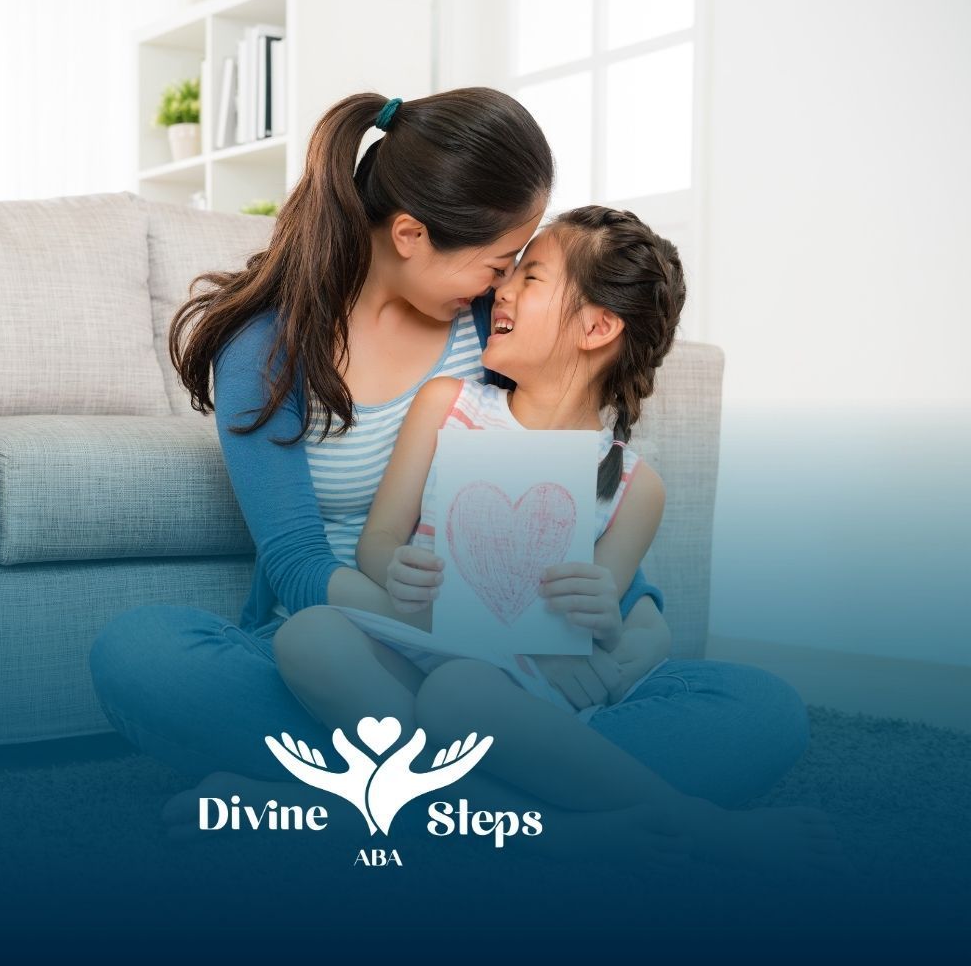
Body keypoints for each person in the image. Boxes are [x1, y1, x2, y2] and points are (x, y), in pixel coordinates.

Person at [89, 90, 831, 868]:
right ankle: (555, 821)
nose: (502, 285)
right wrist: (439, 634)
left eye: (520, 267)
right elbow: (298, 565)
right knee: (139, 653)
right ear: (411, 234)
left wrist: (619, 638)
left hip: (509, 673)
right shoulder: (266, 351)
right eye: (498, 261)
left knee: (764, 709)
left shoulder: (491, 336)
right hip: (359, 654)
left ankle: (351, 809)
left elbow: (581, 517)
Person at [273, 206, 848, 871]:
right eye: (509, 273)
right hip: (420, 638)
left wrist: (602, 614)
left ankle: (674, 822)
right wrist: (396, 567)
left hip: (513, 687)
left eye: (531, 277)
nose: (502, 289)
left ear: (597, 327)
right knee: (305, 637)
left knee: (458, 695)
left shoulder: (635, 486)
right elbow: (378, 541)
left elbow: (604, 630)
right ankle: (564, 827)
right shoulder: (446, 403)